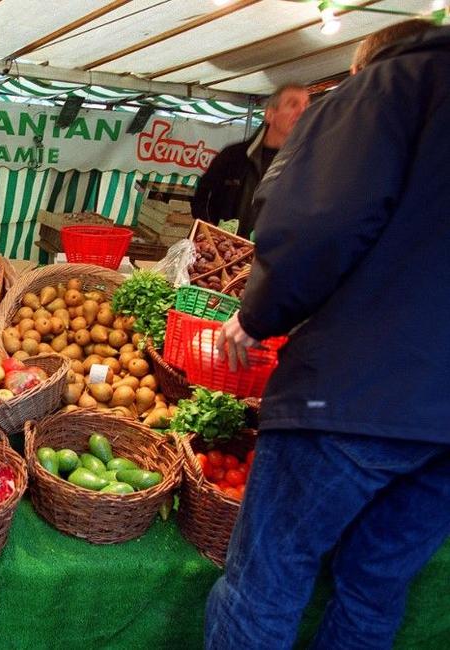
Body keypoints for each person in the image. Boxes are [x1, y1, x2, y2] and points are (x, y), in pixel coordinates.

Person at [206, 22, 449, 650]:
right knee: (374, 592)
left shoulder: (386, 87)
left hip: (358, 390)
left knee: (267, 580)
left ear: (363, 60)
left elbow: (320, 224)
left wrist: (258, 314)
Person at [190, 84, 309, 238]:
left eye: (306, 105)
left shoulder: (307, 165)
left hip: (270, 258)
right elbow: (201, 199)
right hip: (222, 254)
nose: (302, 111)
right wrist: (210, 232)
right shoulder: (233, 156)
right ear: (270, 115)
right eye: (293, 104)